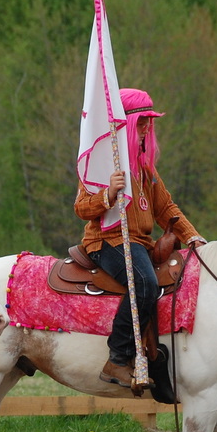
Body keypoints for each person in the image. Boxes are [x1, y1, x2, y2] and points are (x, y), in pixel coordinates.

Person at [74, 88, 205, 387]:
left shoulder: (146, 169)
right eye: (142, 121)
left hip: (139, 245)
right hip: (107, 242)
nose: (148, 127)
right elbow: (81, 208)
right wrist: (107, 193)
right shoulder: (102, 162)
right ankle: (117, 359)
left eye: (150, 121)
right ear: (127, 124)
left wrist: (193, 236)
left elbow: (166, 208)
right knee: (144, 283)